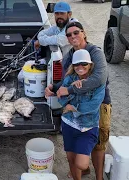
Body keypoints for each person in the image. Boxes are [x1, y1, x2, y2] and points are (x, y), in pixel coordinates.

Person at [45, 21, 111, 180]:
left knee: (98, 142)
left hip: (99, 102)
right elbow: (65, 81)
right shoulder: (69, 56)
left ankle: (99, 177)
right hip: (73, 108)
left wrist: (70, 90)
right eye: (69, 34)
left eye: (76, 32)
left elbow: (99, 79)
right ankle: (83, 170)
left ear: (84, 33)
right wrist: (54, 88)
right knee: (76, 151)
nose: (73, 36)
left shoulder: (95, 52)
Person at [58, 49, 105, 180]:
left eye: (84, 64)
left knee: (82, 164)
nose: (80, 67)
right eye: (76, 64)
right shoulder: (69, 79)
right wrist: (72, 88)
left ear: (90, 65)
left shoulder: (97, 83)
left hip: (88, 127)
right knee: (71, 159)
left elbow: (93, 105)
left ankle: (86, 171)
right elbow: (60, 97)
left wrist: (73, 107)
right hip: (68, 124)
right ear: (73, 66)